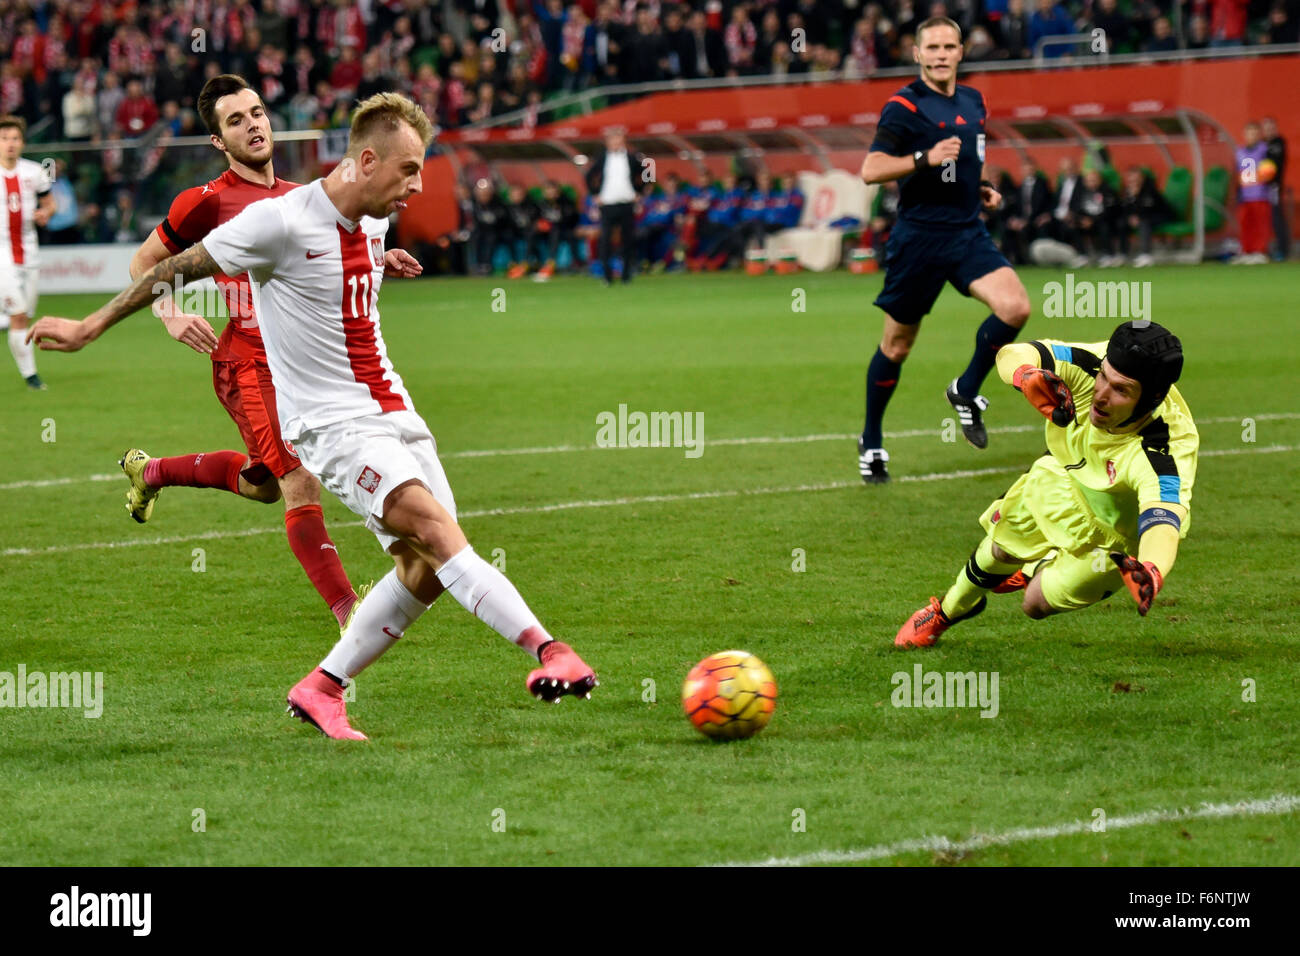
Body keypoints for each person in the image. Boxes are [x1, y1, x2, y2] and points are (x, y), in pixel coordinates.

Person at [29, 93, 598, 741]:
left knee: (424, 570)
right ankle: (550, 652)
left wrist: (376, 262)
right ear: (365, 159)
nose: (416, 186)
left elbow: (337, 262)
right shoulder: (278, 222)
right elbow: (177, 266)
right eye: (409, 170)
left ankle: (322, 688)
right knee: (437, 532)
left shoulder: (373, 218)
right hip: (330, 426)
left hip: (396, 412)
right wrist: (89, 325)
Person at [117, 74, 360, 633]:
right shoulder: (207, 202)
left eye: (257, 112)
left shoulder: (302, 196)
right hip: (246, 363)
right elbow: (143, 263)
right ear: (219, 143)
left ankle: (150, 472)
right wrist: (169, 311)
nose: (253, 124)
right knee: (299, 479)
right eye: (236, 120)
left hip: (299, 364)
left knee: (264, 486)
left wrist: (380, 259)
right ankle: (352, 611)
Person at [895, 321, 1195, 647]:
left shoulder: (1161, 450)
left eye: (1121, 390)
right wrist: (1026, 375)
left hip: (1113, 541)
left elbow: (1162, 520)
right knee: (1000, 548)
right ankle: (947, 612)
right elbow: (1013, 352)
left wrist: (1151, 569)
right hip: (1062, 479)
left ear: (1150, 400)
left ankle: (1034, 567)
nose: (1102, 394)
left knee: (1034, 604)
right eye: (1103, 377)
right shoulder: (1089, 364)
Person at [856, 17, 1031, 483]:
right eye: (931, 46)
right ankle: (871, 441)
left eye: (949, 46)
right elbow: (870, 170)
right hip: (918, 239)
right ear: (917, 54)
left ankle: (966, 389)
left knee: (1015, 307)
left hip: (967, 233)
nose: (940, 54)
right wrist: (923, 159)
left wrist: (984, 189)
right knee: (897, 346)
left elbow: (972, 159)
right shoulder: (903, 106)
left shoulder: (974, 101)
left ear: (960, 52)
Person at [0, 115, 56, 389]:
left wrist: (45, 213)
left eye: (14, 139)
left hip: (29, 251)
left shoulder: (35, 172)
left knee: (25, 314)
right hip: (1, 253)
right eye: (4, 139)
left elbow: (50, 204)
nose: (9, 144)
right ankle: (31, 375)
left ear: (22, 143)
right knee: (19, 313)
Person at [585, 128, 648, 285]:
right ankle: (607, 276)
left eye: (619, 140)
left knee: (628, 240)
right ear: (608, 142)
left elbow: (647, 172)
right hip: (607, 204)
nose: (616, 143)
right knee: (605, 240)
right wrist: (595, 194)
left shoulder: (632, 157)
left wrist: (639, 191)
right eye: (613, 140)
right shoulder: (602, 158)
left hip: (627, 203)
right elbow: (588, 176)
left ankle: (626, 275)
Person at [1234, 121, 1272, 265]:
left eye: (1255, 132)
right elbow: (1238, 172)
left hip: (1260, 193)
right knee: (1245, 223)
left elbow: (1270, 170)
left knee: (1260, 224)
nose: (1252, 135)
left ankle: (1260, 251)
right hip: (1245, 194)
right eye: (1250, 132)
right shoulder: (1240, 151)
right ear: (1245, 134)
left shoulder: (1264, 149)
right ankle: (1246, 250)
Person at [1261, 116, 1289, 261]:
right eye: (1266, 128)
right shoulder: (1261, 144)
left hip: (1273, 187)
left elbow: (1272, 167)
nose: (1269, 131)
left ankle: (1283, 250)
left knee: (1277, 217)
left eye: (1271, 128)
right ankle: (1262, 249)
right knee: (1263, 219)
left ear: (1275, 128)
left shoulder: (1279, 143)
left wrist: (1265, 169)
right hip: (1259, 189)